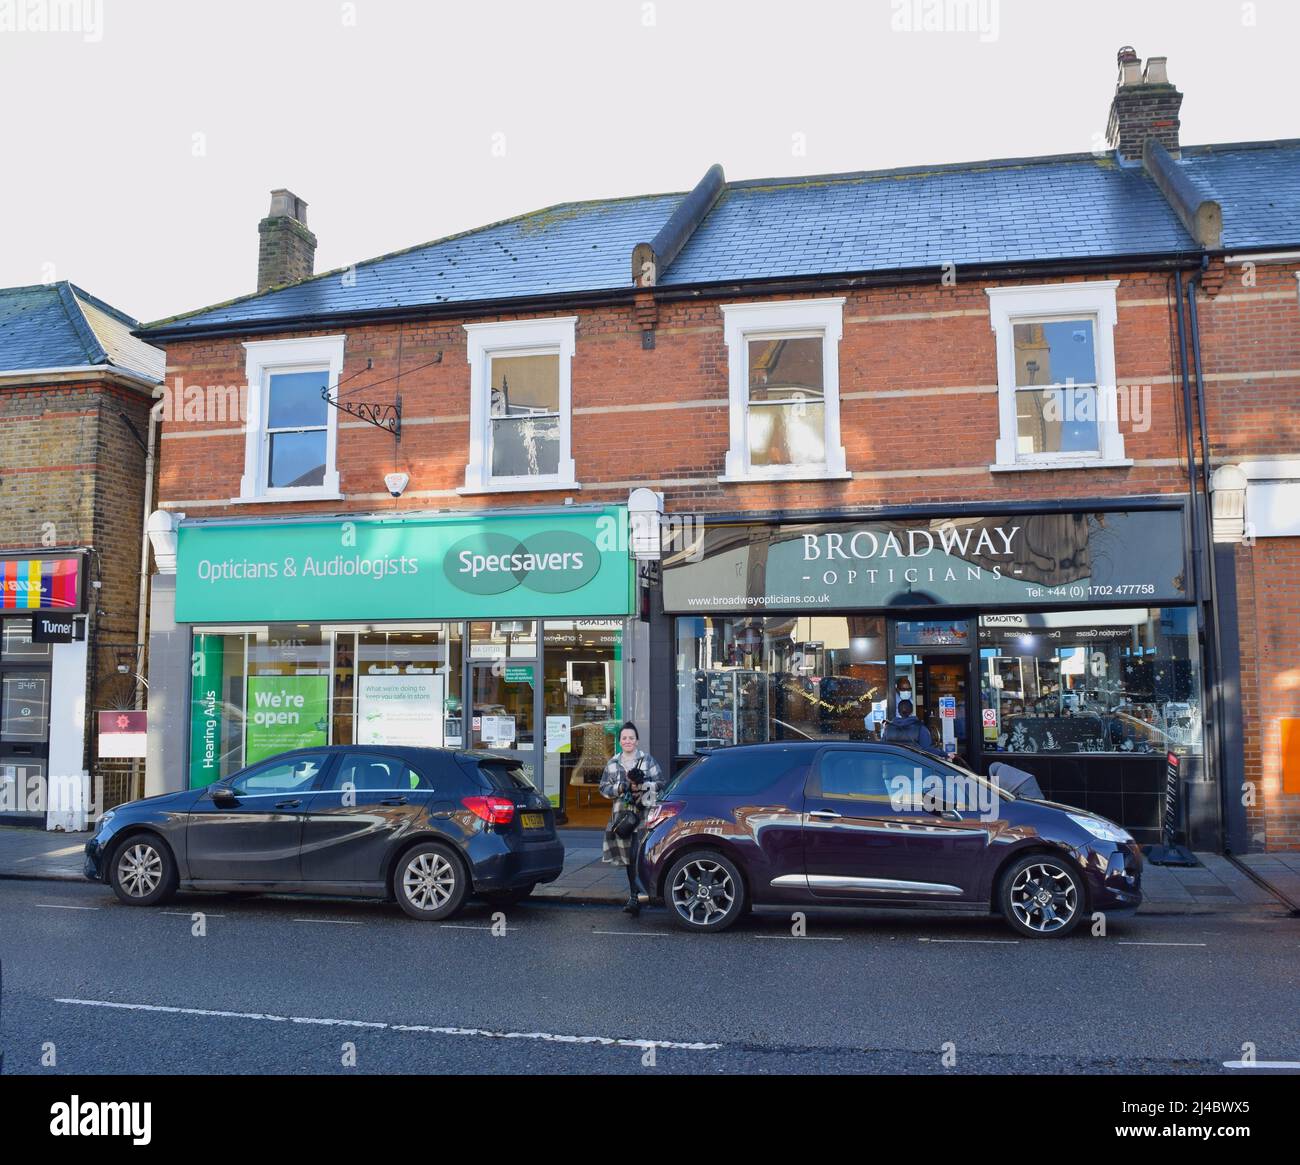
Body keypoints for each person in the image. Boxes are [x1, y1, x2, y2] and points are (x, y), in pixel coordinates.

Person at [599, 721, 663, 917]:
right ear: (620, 741)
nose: (628, 741)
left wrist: (644, 784)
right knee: (628, 858)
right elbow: (603, 788)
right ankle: (634, 895)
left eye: (631, 738)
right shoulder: (612, 763)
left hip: (643, 814)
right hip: (622, 817)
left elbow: (661, 783)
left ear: (637, 740)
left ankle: (640, 894)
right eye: (624, 738)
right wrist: (620, 787)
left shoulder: (647, 760)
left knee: (639, 855)